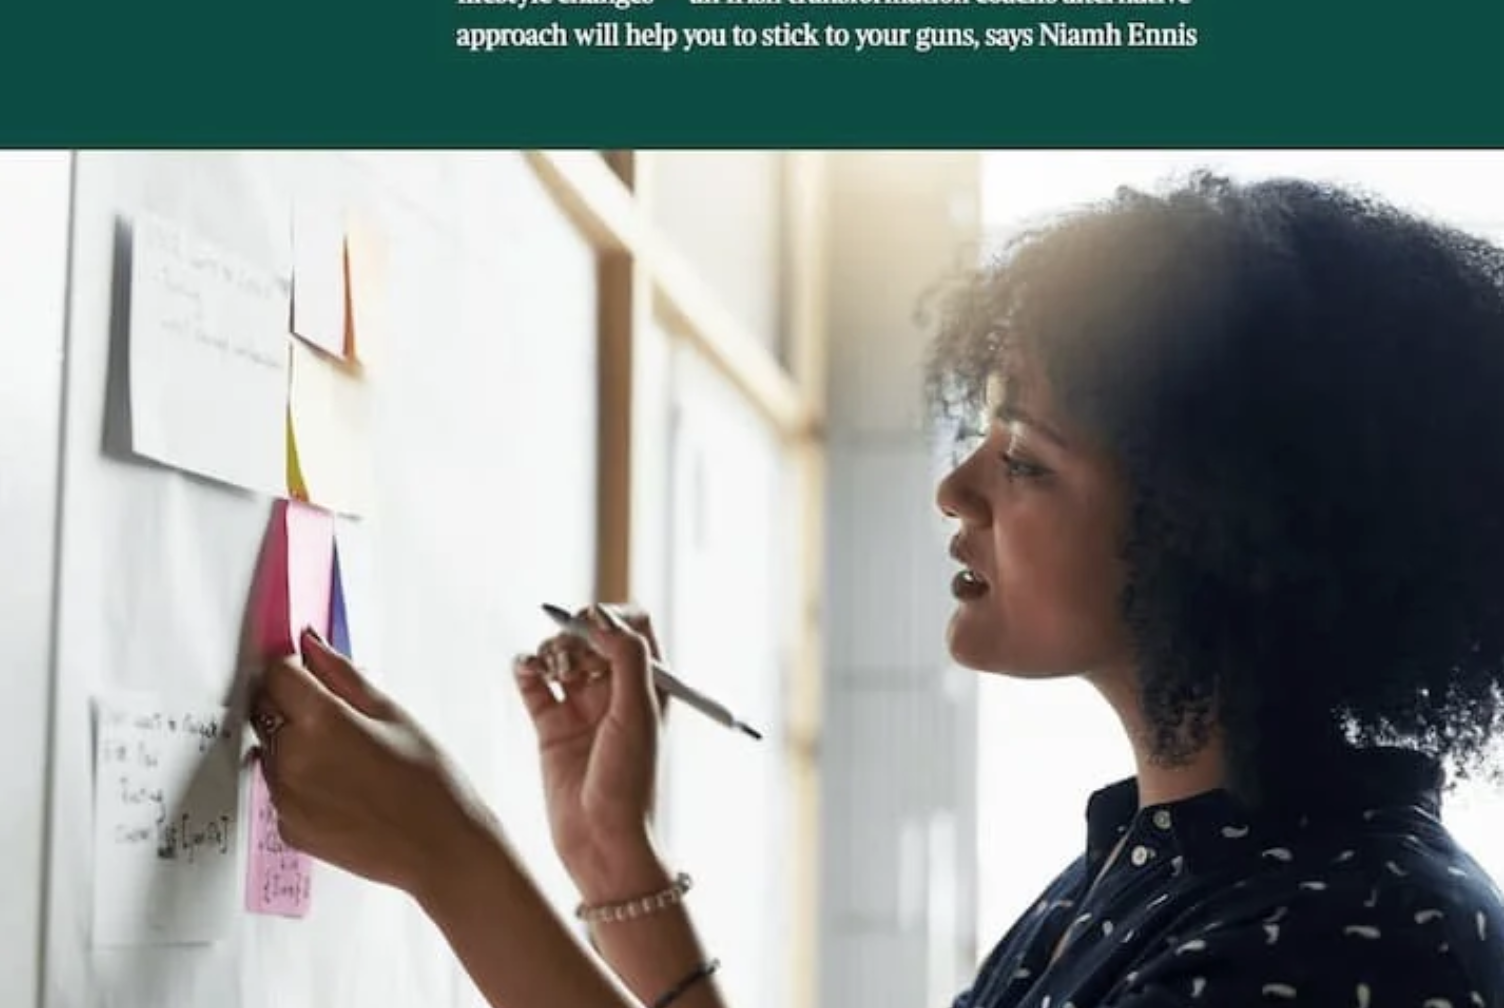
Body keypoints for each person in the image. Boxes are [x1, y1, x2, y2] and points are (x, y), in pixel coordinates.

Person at [252, 172, 1504, 1008]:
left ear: (1229, 532)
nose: (955, 490)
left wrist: (454, 861)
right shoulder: (1172, 855)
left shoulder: (1355, 938)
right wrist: (609, 856)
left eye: (1024, 461)